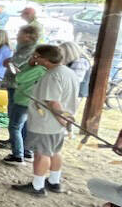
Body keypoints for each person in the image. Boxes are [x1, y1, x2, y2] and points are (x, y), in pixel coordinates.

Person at [12, 44, 80, 198]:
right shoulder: (68, 72)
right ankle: (54, 182)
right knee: (54, 151)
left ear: (45, 59)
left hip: (47, 122)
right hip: (57, 123)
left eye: (36, 56)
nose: (34, 59)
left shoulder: (52, 76)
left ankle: (37, 186)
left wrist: (63, 121)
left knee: (41, 154)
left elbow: (53, 102)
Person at [1, 26, 43, 163]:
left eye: (20, 33)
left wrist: (9, 63)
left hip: (19, 89)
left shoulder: (29, 50)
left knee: (15, 123)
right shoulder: (24, 47)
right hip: (21, 90)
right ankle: (26, 150)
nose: (17, 35)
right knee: (23, 123)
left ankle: (18, 154)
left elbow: (19, 72)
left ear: (28, 36)